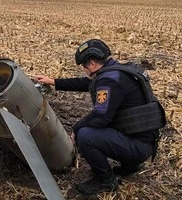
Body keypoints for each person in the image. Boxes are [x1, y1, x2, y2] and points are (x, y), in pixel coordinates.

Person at [34, 39, 165, 195]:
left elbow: (100, 117)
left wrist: (76, 130)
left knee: (86, 135)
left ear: (92, 64)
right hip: (143, 139)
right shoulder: (116, 72)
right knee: (95, 126)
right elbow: (87, 83)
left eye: (84, 66)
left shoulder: (109, 80)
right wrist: (53, 81)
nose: (84, 70)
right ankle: (130, 164)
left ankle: (105, 180)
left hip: (139, 146)